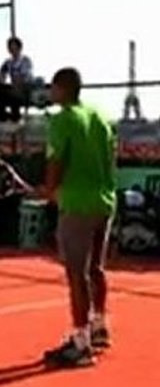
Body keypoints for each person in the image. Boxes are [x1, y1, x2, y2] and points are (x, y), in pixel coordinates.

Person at [40, 67, 117, 369]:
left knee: (76, 274)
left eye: (53, 87)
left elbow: (56, 161)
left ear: (62, 88)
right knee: (96, 268)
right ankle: (99, 327)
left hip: (77, 205)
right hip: (104, 202)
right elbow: (111, 158)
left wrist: (48, 190)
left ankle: (81, 343)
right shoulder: (99, 117)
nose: (50, 92)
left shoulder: (61, 119)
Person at [0, 36, 34, 124]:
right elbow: (0, 75)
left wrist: (16, 82)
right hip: (14, 88)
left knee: (13, 94)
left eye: (14, 47)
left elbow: (24, 77)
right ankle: (4, 115)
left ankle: (14, 116)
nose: (12, 49)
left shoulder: (25, 60)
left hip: (24, 88)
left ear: (19, 48)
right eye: (10, 47)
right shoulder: (8, 62)